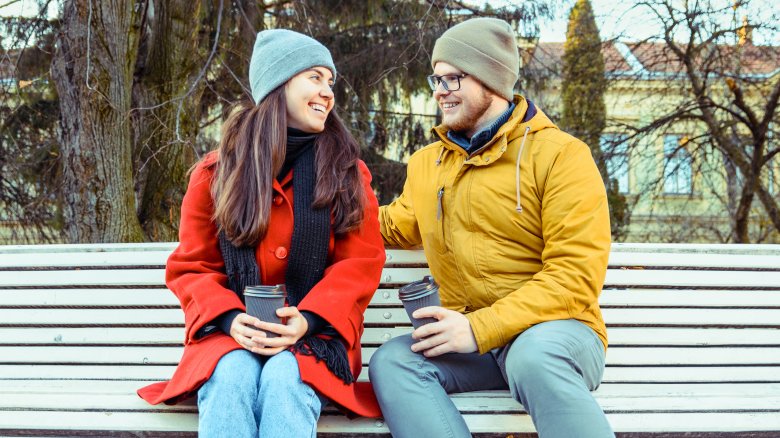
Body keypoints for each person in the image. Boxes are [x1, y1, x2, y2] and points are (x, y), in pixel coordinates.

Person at [370, 17, 615, 438]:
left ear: (491, 80)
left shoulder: (560, 156)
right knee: (394, 362)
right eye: (437, 78)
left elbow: (574, 277)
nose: (440, 91)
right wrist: (323, 207)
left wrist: (479, 328)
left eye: (454, 78)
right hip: (472, 341)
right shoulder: (428, 164)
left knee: (532, 357)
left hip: (556, 334)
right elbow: (393, 226)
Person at [137, 29, 385, 437]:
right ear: (279, 84)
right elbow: (193, 266)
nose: (328, 92)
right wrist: (231, 319)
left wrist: (307, 319)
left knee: (284, 380)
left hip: (316, 337)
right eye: (315, 77)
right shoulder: (217, 174)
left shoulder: (346, 173)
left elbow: (359, 263)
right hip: (230, 335)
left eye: (330, 82)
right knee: (231, 376)